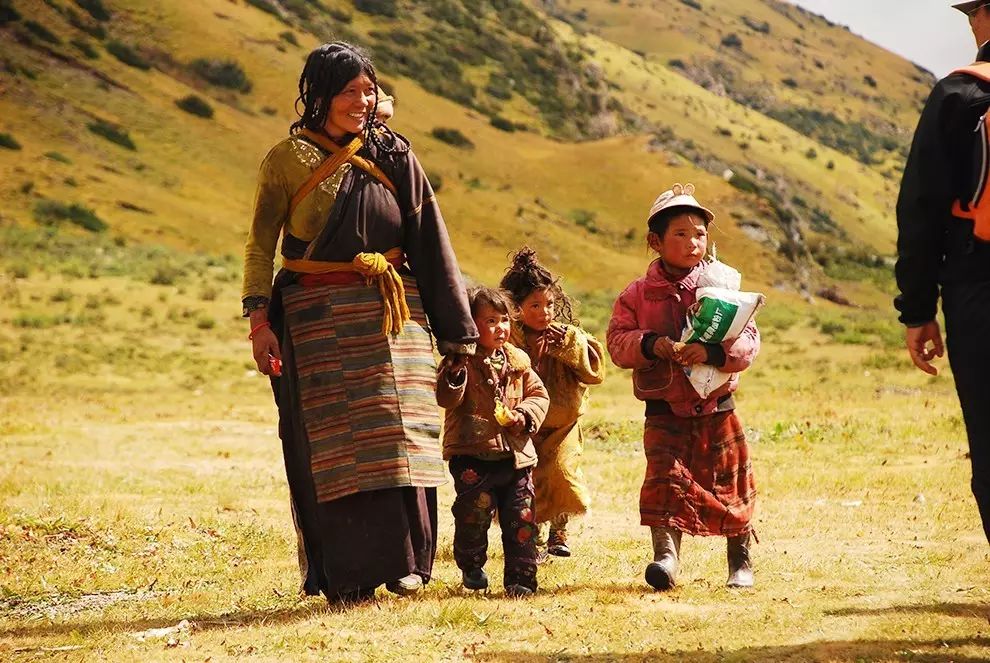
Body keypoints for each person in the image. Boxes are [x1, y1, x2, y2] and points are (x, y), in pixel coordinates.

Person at [241, 42, 478, 603]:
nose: (361, 100)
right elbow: (260, 245)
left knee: (402, 437)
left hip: (397, 315)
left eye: (369, 90)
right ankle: (346, 574)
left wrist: (458, 337)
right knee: (335, 449)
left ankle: (408, 566)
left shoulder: (395, 154)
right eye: (349, 91)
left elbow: (429, 241)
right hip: (315, 318)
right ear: (319, 95)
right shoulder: (285, 159)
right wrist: (258, 322)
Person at [606, 183, 760, 590]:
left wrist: (711, 355)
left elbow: (748, 343)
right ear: (655, 241)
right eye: (681, 234)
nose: (693, 242)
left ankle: (740, 561)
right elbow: (617, 344)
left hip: (718, 405)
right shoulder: (637, 295)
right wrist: (652, 344)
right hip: (664, 407)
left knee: (731, 482)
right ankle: (666, 559)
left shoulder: (724, 288)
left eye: (700, 234)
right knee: (665, 481)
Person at [895, 1, 990, 545]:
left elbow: (922, 208)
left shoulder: (960, 94)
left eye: (972, 10)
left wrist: (917, 309)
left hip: (979, 285)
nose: (970, 22)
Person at [436, 286, 550, 597]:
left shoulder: (518, 361)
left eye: (504, 320)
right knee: (473, 514)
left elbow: (539, 395)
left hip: (516, 456)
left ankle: (521, 578)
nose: (500, 328)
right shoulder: (459, 360)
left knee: (522, 517)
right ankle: (471, 565)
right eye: (489, 321)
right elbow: (447, 398)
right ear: (471, 325)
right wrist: (455, 374)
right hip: (472, 455)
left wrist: (523, 416)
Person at [499, 247, 605, 559]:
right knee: (528, 483)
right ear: (516, 308)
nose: (545, 312)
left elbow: (594, 372)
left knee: (560, 473)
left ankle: (559, 533)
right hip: (524, 426)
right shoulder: (508, 341)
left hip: (563, 426)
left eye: (550, 304)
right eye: (535, 305)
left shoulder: (568, 336)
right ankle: (532, 537)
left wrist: (571, 347)